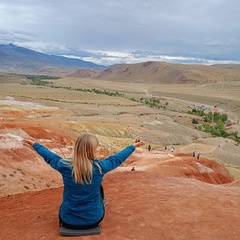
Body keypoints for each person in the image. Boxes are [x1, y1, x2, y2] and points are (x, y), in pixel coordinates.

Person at [22, 133, 146, 230]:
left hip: (67, 220)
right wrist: (133, 146)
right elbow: (117, 159)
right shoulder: (100, 167)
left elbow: (50, 156)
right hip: (95, 219)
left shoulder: (64, 166)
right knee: (98, 187)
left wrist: (35, 145)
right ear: (92, 150)